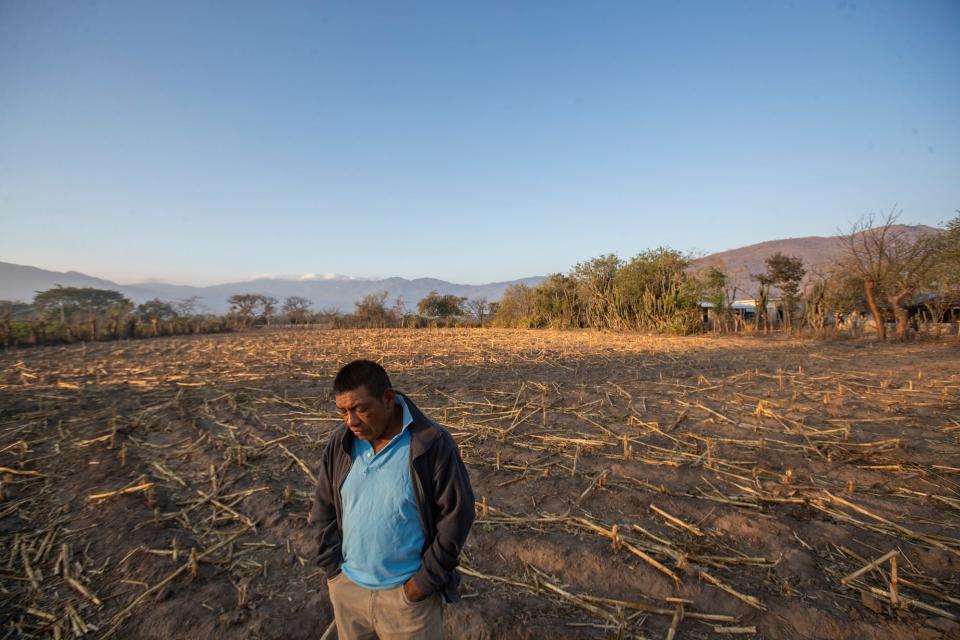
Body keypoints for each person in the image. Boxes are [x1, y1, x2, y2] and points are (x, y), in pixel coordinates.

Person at [310, 360, 475, 640]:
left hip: (408, 602)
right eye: (343, 412)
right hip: (348, 592)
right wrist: (334, 572)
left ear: (388, 398)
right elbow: (323, 507)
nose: (351, 421)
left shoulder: (431, 443)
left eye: (360, 409)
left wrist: (421, 585)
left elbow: (456, 518)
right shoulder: (340, 443)